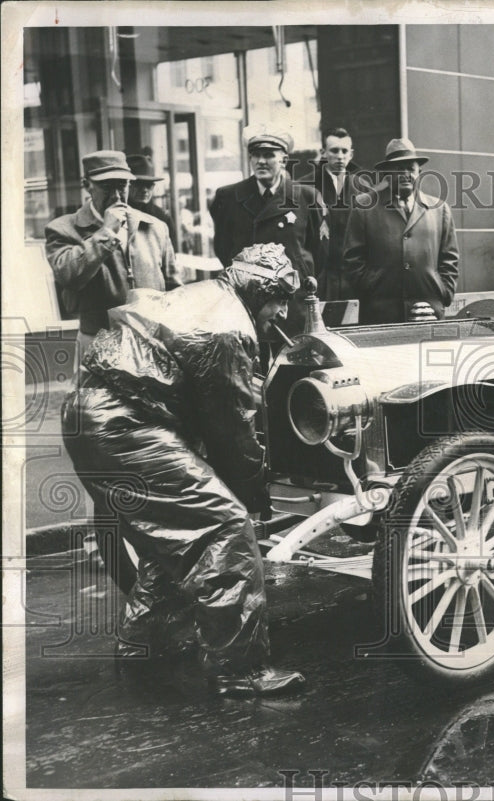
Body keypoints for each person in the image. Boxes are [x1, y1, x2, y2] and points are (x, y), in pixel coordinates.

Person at [62, 242, 306, 697]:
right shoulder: (231, 329)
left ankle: (144, 641)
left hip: (89, 416)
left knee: (174, 533)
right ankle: (240, 669)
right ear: (261, 289)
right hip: (123, 426)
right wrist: (255, 499)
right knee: (224, 527)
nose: (284, 313)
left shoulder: (207, 294)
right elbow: (232, 432)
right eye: (281, 300)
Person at [45, 150, 181, 361]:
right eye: (107, 187)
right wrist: (106, 233)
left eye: (122, 186)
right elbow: (68, 276)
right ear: (86, 185)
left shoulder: (155, 227)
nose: (117, 196)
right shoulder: (63, 229)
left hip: (151, 342)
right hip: (98, 343)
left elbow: (173, 288)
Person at [343, 137, 459, 324]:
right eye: (398, 169)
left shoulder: (439, 209)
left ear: (419, 172)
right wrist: (370, 289)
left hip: (429, 311)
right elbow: (352, 260)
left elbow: (449, 259)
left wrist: (443, 292)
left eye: (410, 169)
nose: (405, 174)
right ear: (387, 174)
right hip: (381, 313)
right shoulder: (364, 207)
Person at [209, 128, 324, 287]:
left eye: (268, 155)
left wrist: (303, 275)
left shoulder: (307, 196)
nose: (260, 161)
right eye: (256, 155)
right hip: (248, 293)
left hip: (293, 293)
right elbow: (223, 247)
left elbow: (320, 252)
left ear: (284, 160)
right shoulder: (228, 197)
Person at [314, 127, 372, 301]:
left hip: (353, 280)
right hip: (320, 279)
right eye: (334, 150)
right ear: (323, 153)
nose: (340, 156)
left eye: (344, 151)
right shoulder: (307, 186)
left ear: (351, 154)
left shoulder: (364, 189)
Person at [126, 153, 177, 250]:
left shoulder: (162, 218)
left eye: (149, 185)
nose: (145, 190)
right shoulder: (117, 216)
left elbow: (170, 258)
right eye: (139, 184)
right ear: (126, 185)